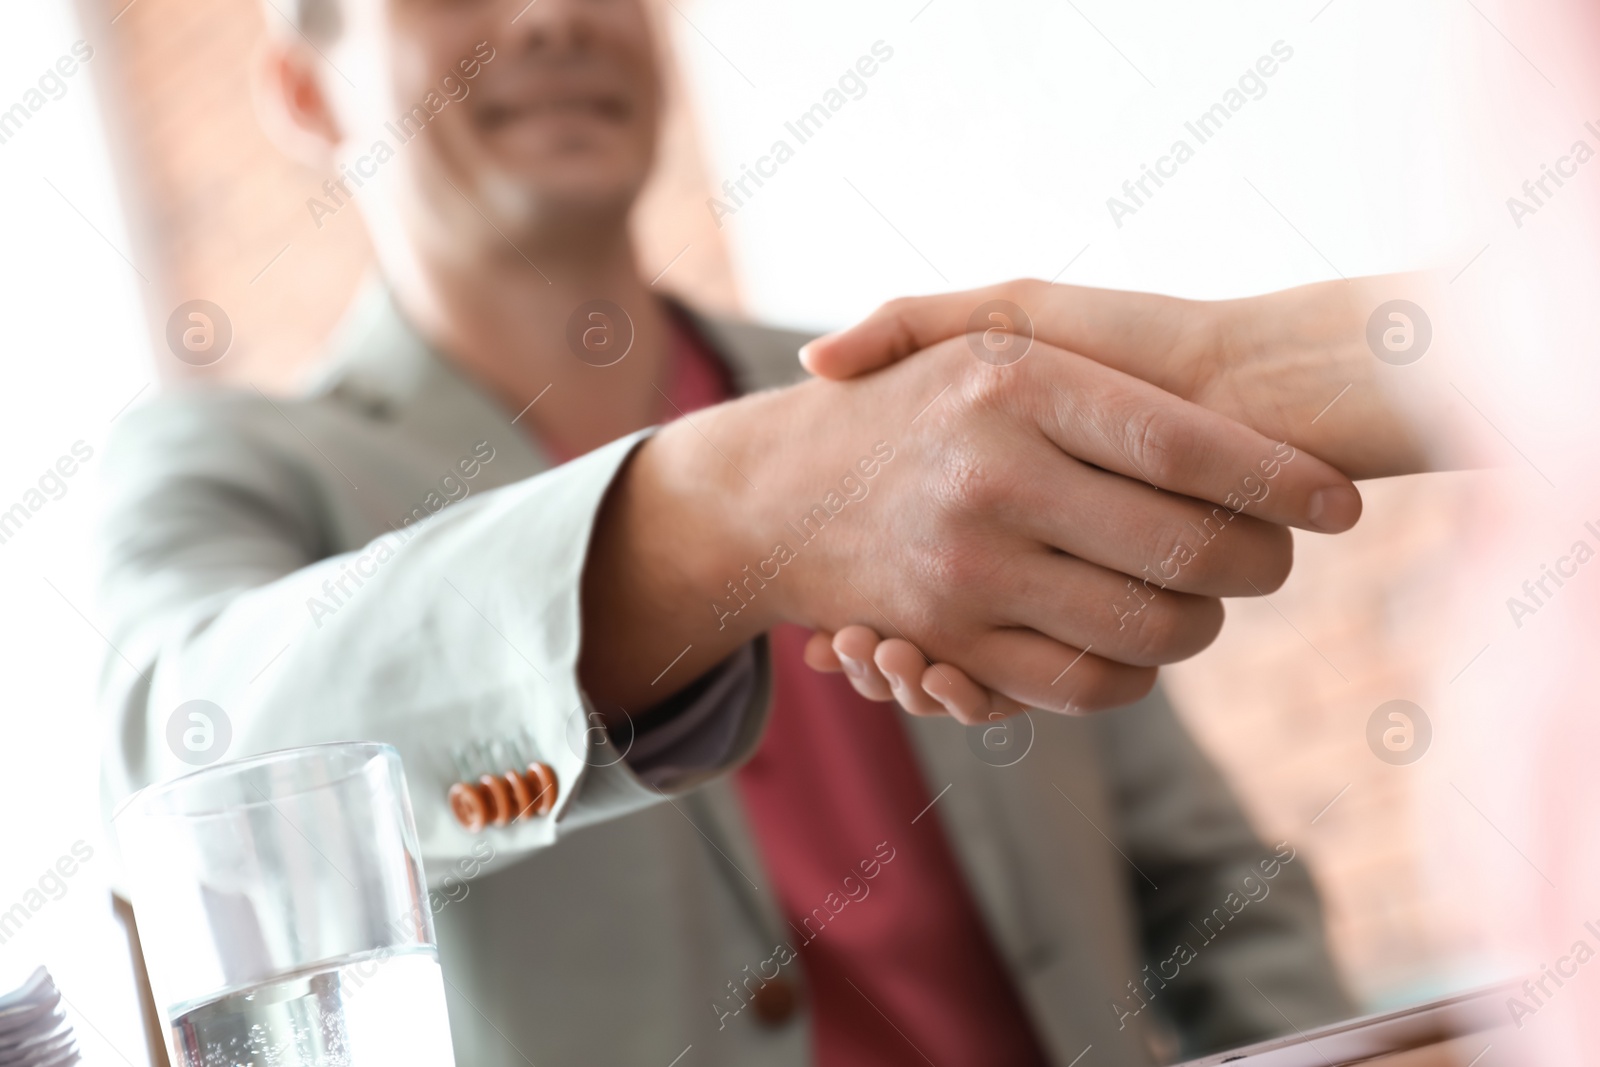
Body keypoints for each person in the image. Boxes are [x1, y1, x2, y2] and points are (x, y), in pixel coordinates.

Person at [93, 0, 1384, 1062]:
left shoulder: (921, 406)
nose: (551, 18)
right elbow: (186, 761)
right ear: (309, 95)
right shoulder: (239, 464)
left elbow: (1213, 891)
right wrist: (715, 510)